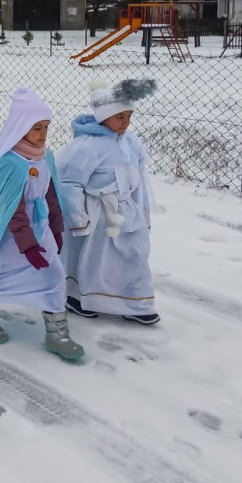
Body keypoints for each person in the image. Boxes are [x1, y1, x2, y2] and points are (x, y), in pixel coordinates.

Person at [0, 87, 84, 361]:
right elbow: (13, 210)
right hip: (13, 238)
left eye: (46, 127)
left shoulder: (44, 156)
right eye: (36, 128)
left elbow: (51, 192)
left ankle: (57, 333)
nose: (42, 134)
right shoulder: (10, 163)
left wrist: (56, 228)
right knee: (0, 273)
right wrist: (28, 246)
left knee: (54, 274)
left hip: (41, 229)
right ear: (20, 127)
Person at [56, 79, 160, 325]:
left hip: (127, 211)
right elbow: (68, 183)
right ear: (104, 116)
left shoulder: (132, 143)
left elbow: (139, 180)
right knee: (95, 259)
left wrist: (143, 213)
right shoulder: (86, 147)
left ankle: (136, 301)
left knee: (135, 253)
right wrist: (78, 219)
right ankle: (79, 297)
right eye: (119, 117)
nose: (125, 123)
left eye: (128, 116)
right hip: (98, 215)